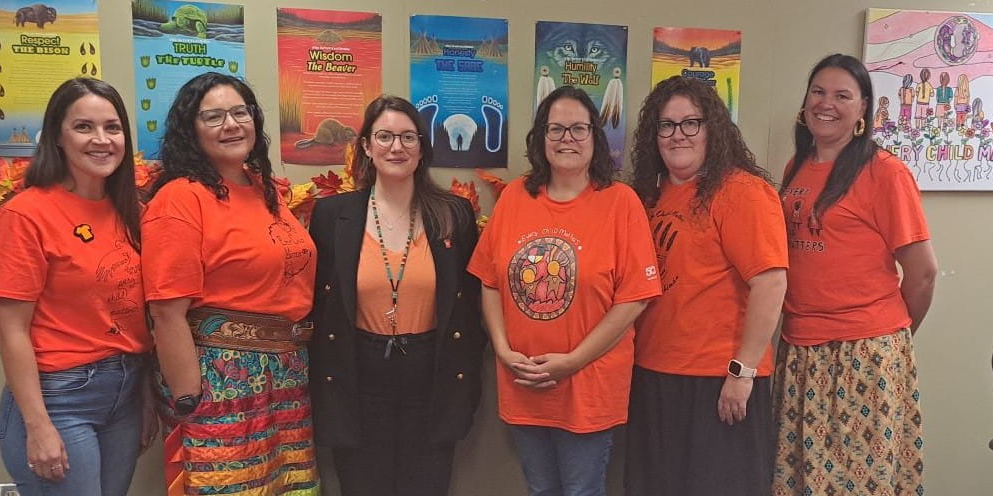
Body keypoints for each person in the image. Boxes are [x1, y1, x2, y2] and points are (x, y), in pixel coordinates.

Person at [467, 86, 661, 496]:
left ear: (595, 137)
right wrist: (502, 350)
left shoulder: (620, 202)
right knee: (540, 489)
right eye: (556, 129)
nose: (567, 139)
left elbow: (635, 298)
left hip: (588, 387)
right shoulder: (517, 196)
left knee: (581, 491)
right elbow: (489, 282)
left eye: (578, 128)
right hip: (525, 383)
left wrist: (572, 361)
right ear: (540, 138)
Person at [142, 72, 319, 495]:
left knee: (288, 486)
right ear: (191, 130)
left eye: (240, 112)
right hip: (219, 377)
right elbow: (167, 313)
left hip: (286, 373)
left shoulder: (265, 190)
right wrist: (189, 400)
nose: (232, 124)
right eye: (214, 116)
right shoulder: (182, 197)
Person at [306, 95, 487, 496]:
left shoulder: (454, 214)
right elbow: (320, 306)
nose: (396, 147)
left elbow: (470, 311)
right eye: (384, 136)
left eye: (408, 137)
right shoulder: (333, 216)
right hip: (357, 378)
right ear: (367, 147)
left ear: (422, 148)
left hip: (433, 377)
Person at [775, 53, 938, 496]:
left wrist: (887, 341)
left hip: (861, 357)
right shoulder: (796, 168)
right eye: (818, 92)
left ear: (863, 107)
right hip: (801, 349)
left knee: (855, 485)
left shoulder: (885, 173)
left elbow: (923, 274)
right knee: (801, 482)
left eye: (843, 95)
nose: (826, 104)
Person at [0, 77, 155, 496]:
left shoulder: (135, 210)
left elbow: (140, 314)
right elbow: (11, 330)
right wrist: (37, 426)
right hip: (60, 399)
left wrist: (147, 394)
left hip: (126, 390)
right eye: (84, 127)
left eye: (112, 128)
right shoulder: (25, 215)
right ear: (57, 137)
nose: (101, 140)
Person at [624, 76, 788, 496]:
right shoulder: (647, 197)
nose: (678, 134)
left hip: (718, 381)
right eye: (666, 125)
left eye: (690, 123)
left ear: (713, 128)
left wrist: (742, 372)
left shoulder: (742, 192)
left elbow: (770, 284)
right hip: (654, 374)